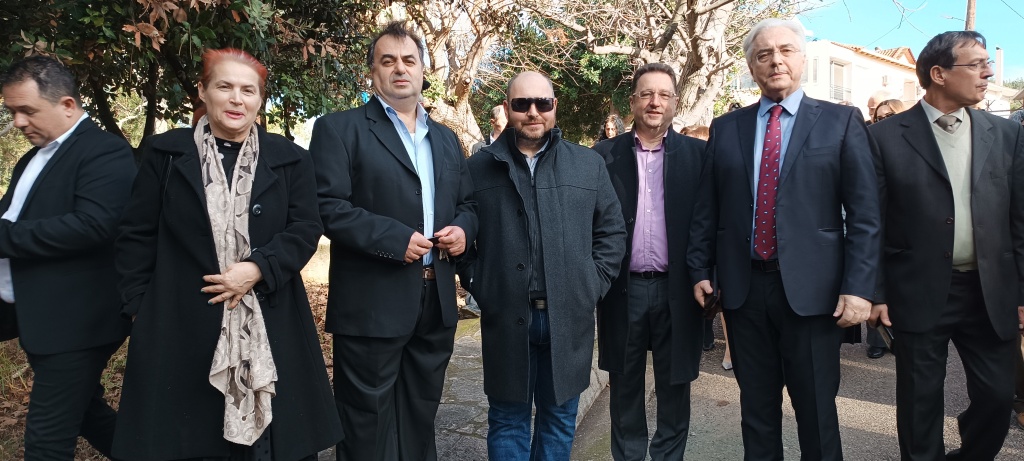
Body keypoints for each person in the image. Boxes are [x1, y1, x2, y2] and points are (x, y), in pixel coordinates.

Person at [112, 48, 341, 460]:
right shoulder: (165, 154)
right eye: (225, 86)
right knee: (193, 441)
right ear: (203, 91)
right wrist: (139, 308)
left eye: (248, 90)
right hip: (179, 325)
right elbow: (136, 234)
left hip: (271, 317)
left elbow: (306, 227)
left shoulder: (290, 159)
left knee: (271, 445)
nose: (237, 99)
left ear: (260, 100)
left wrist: (258, 267)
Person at [687, 18, 880, 460]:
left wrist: (860, 287)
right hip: (743, 292)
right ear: (751, 67)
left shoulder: (841, 122)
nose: (776, 60)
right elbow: (707, 209)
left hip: (814, 295)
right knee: (756, 411)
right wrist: (698, 269)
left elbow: (866, 215)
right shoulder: (726, 127)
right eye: (764, 54)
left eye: (786, 50)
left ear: (802, 59)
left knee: (816, 410)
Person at [309, 21, 477, 461]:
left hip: (436, 301)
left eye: (409, 60)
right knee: (365, 422)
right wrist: (394, 239)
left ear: (422, 70)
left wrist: (463, 229)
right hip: (372, 301)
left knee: (421, 415)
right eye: (388, 61)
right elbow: (327, 206)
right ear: (372, 72)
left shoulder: (446, 139)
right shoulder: (339, 129)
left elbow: (468, 204)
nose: (400, 68)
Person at [868, 30, 1024, 460]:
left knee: (997, 396)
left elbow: (1020, 220)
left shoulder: (1006, 135)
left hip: (989, 290)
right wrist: (875, 292)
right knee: (919, 403)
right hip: (916, 288)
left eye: (988, 64)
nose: (987, 73)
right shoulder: (883, 137)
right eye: (976, 64)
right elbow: (871, 222)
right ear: (938, 74)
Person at [463, 70, 626, 460]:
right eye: (522, 104)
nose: (533, 112)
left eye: (542, 103)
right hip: (506, 316)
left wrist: (591, 284)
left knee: (559, 421)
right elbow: (462, 230)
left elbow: (612, 231)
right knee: (508, 421)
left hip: (569, 317)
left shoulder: (587, 164)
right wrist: (479, 281)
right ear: (508, 108)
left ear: (555, 106)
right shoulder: (478, 168)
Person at [0, 56, 135, 459]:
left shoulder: (105, 152)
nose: (19, 122)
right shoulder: (32, 158)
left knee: (46, 441)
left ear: (68, 105)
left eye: (27, 110)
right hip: (36, 315)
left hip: (77, 322)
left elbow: (93, 225)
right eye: (12, 112)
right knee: (87, 414)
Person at [592, 63, 706, 461]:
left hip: (679, 289)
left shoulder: (698, 155)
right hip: (623, 289)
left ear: (675, 102)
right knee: (624, 387)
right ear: (633, 102)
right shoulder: (603, 156)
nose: (655, 102)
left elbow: (709, 223)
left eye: (663, 94)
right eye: (646, 94)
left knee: (675, 387)